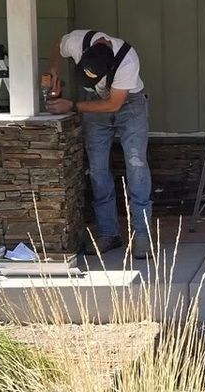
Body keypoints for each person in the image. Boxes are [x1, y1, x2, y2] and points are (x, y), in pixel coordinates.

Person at [43, 28, 151, 258]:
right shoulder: (76, 42)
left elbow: (113, 104)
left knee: (136, 165)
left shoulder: (127, 60)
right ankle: (107, 234)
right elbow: (57, 45)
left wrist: (71, 105)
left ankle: (142, 235)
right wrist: (53, 72)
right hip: (94, 102)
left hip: (128, 105)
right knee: (97, 170)